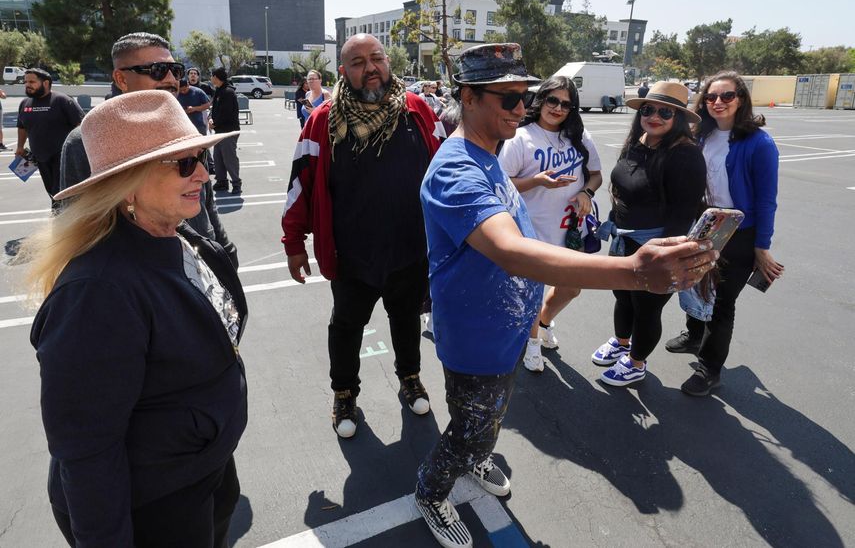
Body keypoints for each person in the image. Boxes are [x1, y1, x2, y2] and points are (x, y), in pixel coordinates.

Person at [415, 44, 717, 548]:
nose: (521, 109)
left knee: (489, 414)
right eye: (507, 98)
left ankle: (476, 453)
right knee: (471, 422)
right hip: (475, 334)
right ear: (467, 97)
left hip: (508, 326)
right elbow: (511, 251)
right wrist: (632, 272)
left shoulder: (487, 154)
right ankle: (432, 490)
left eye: (524, 97)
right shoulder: (456, 170)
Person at [24, 90, 247, 547]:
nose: (205, 174)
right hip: (154, 504)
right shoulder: (96, 293)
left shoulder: (178, 234)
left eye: (200, 155)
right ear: (126, 183)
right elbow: (86, 454)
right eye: (183, 163)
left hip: (200, 472)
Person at [281, 34, 444, 439]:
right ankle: (344, 393)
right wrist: (294, 243)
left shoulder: (418, 110)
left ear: (388, 62)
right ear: (343, 71)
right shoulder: (322, 121)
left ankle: (410, 377)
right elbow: (300, 184)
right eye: (358, 61)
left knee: (406, 319)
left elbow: (446, 171)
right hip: (351, 254)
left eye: (377, 58)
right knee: (347, 326)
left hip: (409, 249)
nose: (370, 67)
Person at [59, 32, 238, 268]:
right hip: (144, 277)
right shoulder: (86, 141)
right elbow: (76, 224)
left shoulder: (181, 124)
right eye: (157, 70)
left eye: (176, 70)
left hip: (202, 260)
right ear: (121, 79)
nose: (171, 79)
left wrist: (224, 249)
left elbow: (206, 202)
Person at [665, 71, 784, 396]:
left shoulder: (759, 143)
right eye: (711, 97)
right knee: (692, 283)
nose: (718, 102)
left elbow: (766, 200)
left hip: (738, 233)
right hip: (702, 225)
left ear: (741, 100)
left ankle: (709, 368)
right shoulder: (700, 135)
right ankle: (694, 334)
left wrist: (762, 245)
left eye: (727, 96)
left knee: (722, 303)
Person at [591, 81, 707, 387]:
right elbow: (623, 189)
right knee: (623, 296)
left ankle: (636, 363)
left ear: (678, 118)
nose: (654, 116)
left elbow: (683, 214)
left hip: (657, 244)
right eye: (648, 109)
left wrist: (668, 258)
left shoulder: (685, 154)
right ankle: (621, 342)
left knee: (647, 307)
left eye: (665, 112)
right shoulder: (638, 141)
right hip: (624, 239)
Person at [499, 75, 603, 372]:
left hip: (571, 230)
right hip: (532, 230)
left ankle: (543, 322)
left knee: (571, 288)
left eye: (566, 104)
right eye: (553, 100)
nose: (558, 108)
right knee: (532, 291)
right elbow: (502, 184)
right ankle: (531, 343)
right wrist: (536, 181)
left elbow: (596, 174)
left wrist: (586, 191)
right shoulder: (521, 137)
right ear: (541, 100)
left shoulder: (580, 137)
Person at [16, 68, 84, 207]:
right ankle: (59, 214)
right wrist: (20, 146)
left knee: (61, 191)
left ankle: (60, 218)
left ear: (46, 83)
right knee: (51, 191)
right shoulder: (25, 104)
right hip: (40, 158)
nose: (27, 85)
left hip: (63, 157)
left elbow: (81, 125)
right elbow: (22, 126)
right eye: (25, 82)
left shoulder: (62, 100)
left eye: (32, 81)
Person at [209, 67, 242, 194]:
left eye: (212, 76)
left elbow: (226, 113)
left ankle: (236, 183)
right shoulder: (219, 90)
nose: (211, 78)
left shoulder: (228, 92)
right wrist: (211, 119)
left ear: (216, 77)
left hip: (229, 131)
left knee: (229, 158)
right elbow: (215, 110)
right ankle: (222, 181)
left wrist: (214, 123)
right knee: (218, 157)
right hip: (219, 130)